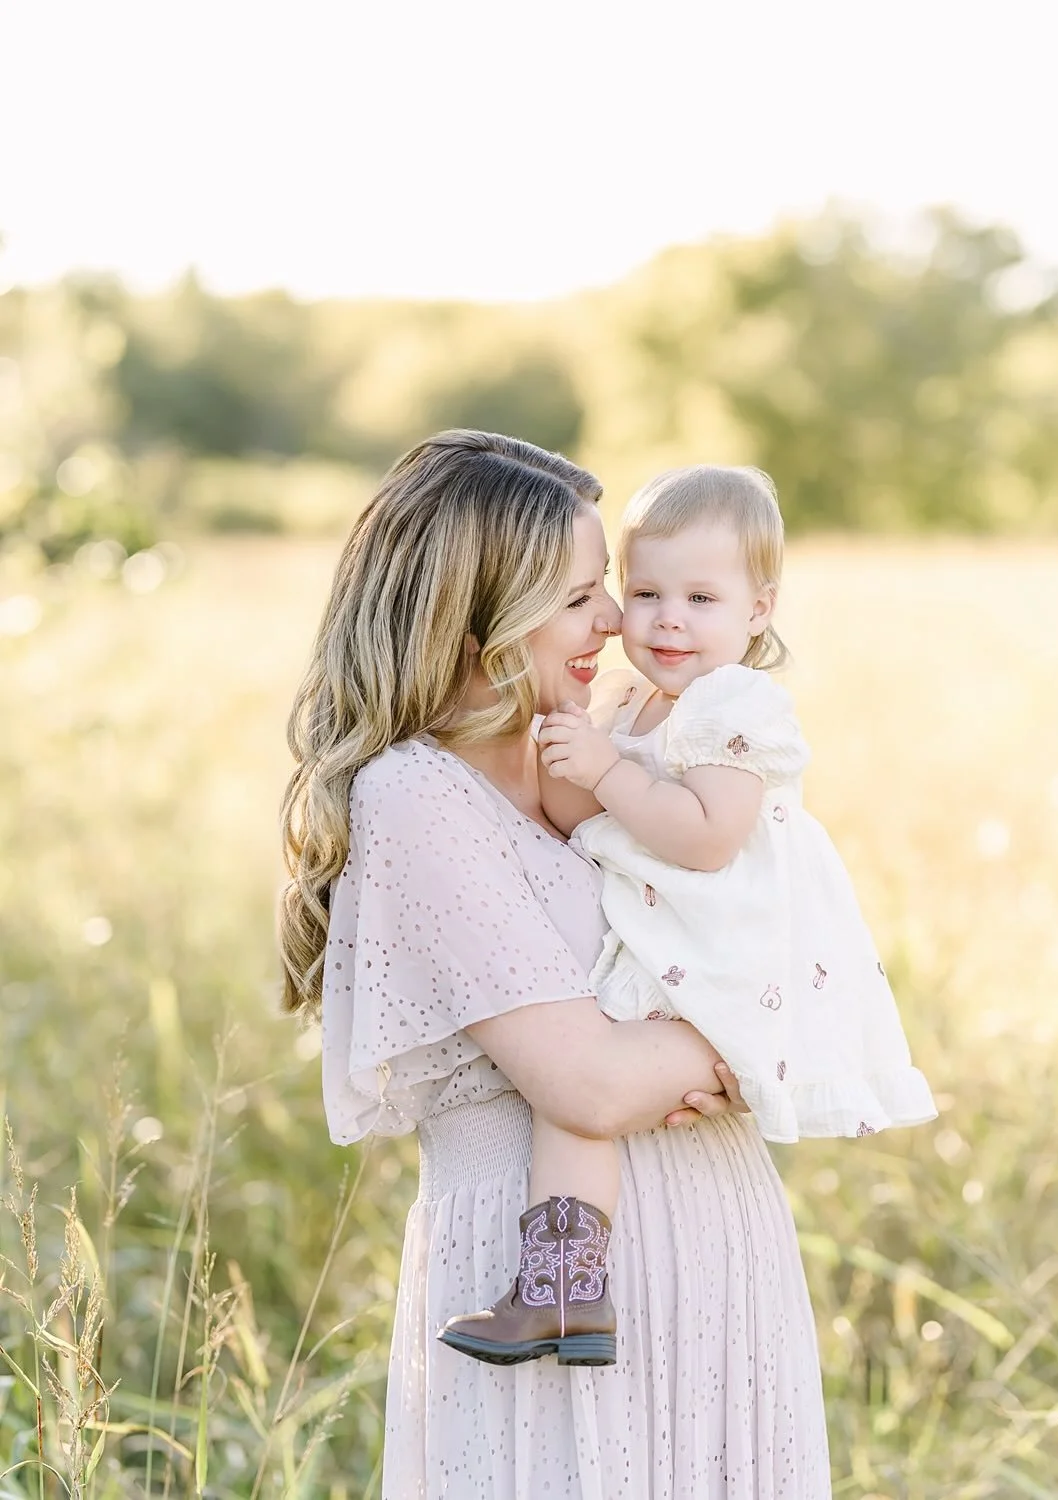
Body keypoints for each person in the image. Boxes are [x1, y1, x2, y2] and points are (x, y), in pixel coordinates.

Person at [280, 432, 832, 1497]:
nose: (620, 622)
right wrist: (734, 1037)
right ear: (479, 609)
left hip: (721, 1262)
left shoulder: (615, 750)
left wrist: (748, 1023)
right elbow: (588, 1083)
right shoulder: (416, 795)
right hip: (550, 1305)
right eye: (582, 597)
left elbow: (776, 925)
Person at [440, 462, 936, 1371]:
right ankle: (565, 1288)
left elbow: (706, 837)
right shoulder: (630, 702)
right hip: (663, 934)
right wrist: (561, 725)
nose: (667, 618)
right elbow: (575, 817)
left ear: (759, 609)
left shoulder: (733, 705)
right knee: (575, 1102)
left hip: (721, 941)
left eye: (701, 597)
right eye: (645, 592)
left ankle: (561, 1288)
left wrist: (606, 770)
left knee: (578, 1093)